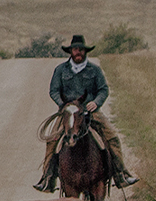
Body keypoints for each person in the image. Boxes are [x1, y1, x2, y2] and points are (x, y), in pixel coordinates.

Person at [34, 34, 140, 192]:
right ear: (70, 51)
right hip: (68, 112)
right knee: (52, 141)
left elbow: (103, 89)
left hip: (90, 112)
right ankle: (47, 178)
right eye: (76, 49)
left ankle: (121, 173)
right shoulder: (60, 70)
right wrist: (63, 104)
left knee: (112, 137)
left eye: (81, 50)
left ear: (85, 52)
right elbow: (54, 90)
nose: (78, 52)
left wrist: (96, 102)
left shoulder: (95, 70)